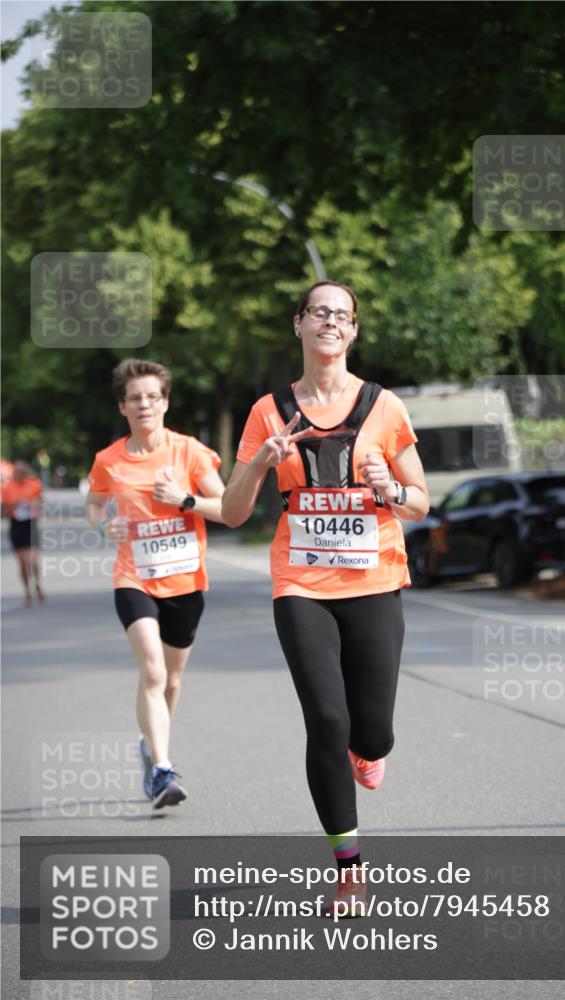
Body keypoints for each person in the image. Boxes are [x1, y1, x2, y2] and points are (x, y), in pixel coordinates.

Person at [221, 281, 429, 915]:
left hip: (374, 581)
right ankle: (350, 868)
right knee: (326, 721)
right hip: (301, 583)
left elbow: (421, 502)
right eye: (320, 312)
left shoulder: (384, 406)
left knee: (373, 731)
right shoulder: (268, 410)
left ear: (354, 331)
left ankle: (370, 753)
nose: (330, 322)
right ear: (300, 324)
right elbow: (231, 513)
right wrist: (262, 461)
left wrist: (389, 485)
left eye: (342, 315)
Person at [86, 359, 225, 809]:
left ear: (164, 403)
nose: (143, 404)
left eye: (151, 397)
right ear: (122, 407)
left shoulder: (190, 453)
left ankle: (150, 745)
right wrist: (102, 526)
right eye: (134, 398)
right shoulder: (110, 460)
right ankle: (163, 771)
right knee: (152, 670)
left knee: (172, 681)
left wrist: (183, 500)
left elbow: (227, 507)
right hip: (134, 577)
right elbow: (94, 504)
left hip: (185, 579)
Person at [1, 460, 45, 607]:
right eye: (17, 472)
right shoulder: (7, 488)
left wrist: (33, 505)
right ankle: (27, 591)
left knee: (32, 560)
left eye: (22, 472)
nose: (19, 475)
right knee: (22, 563)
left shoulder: (34, 484)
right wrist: (14, 506)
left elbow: (41, 502)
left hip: (30, 524)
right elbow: (4, 512)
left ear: (25, 473)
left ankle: (37, 583)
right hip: (16, 525)